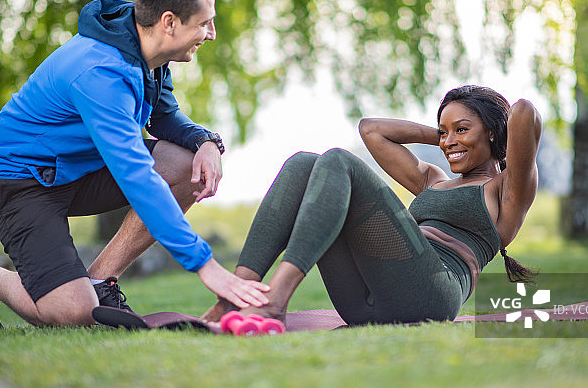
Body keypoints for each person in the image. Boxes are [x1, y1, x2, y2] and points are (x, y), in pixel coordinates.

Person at [0, 0, 269, 330]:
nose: (211, 33)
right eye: (204, 23)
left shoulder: (142, 51)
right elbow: (137, 177)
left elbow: (164, 117)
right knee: (74, 314)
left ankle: (99, 282)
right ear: (169, 22)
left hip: (76, 171)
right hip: (16, 183)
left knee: (184, 165)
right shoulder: (101, 73)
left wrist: (206, 142)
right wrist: (205, 265)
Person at [202, 85, 541, 328]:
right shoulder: (432, 179)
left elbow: (524, 111)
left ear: (495, 133)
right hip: (365, 300)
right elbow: (372, 130)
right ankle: (237, 295)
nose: (449, 141)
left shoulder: (506, 188)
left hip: (431, 293)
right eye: (444, 132)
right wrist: (442, 135)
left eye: (462, 130)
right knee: (303, 163)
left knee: (338, 160)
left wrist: (493, 126)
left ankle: (274, 301)